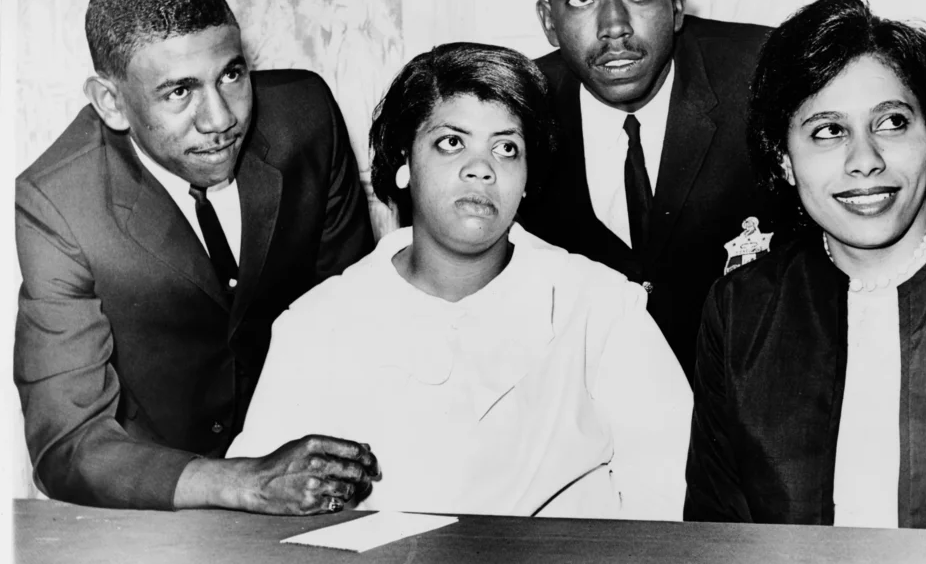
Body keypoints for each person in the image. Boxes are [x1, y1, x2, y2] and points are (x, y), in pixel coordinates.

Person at [228, 42, 692, 519]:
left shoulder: (602, 308)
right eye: (452, 142)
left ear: (528, 178)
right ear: (405, 161)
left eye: (506, 148)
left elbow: (669, 504)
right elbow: (262, 514)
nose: (481, 168)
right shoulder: (316, 324)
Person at [15, 0, 379, 512]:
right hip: (159, 509)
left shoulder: (306, 118)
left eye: (231, 74)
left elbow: (358, 320)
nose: (219, 119)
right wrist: (243, 482)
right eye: (179, 92)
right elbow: (68, 443)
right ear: (111, 102)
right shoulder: (58, 201)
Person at [684, 0, 926, 564]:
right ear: (784, 159)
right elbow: (716, 538)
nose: (864, 159)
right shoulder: (741, 310)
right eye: (826, 131)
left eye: (891, 122)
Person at [521, 0, 774, 385]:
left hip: (750, 406)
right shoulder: (517, 110)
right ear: (549, 22)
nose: (614, 27)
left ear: (676, 4)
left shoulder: (763, 77)